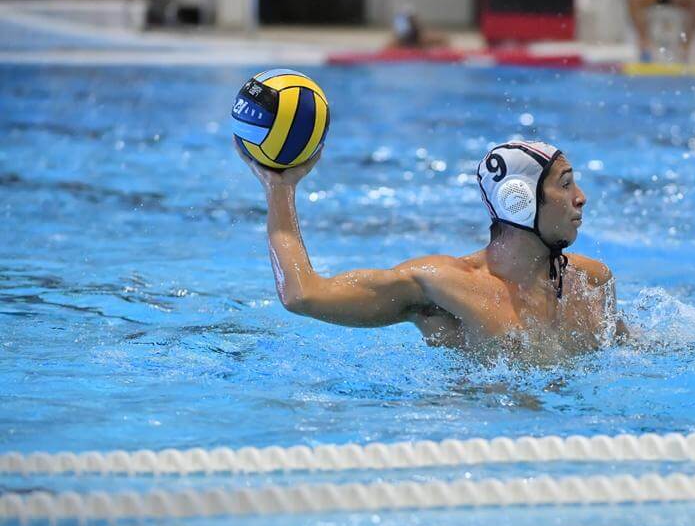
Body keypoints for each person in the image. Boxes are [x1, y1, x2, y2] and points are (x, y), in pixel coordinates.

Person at [238, 140, 625, 363]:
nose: (581, 197)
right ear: (518, 200)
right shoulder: (441, 286)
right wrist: (280, 188)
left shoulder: (591, 281)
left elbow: (633, 351)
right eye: (565, 184)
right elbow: (303, 295)